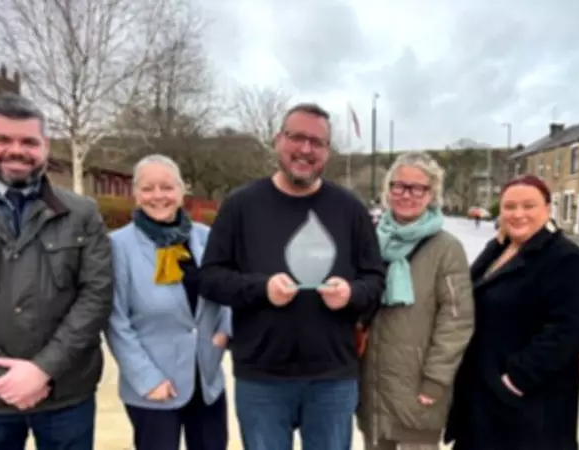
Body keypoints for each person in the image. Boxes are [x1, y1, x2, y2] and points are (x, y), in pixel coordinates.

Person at [198, 102, 386, 450]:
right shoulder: (241, 206)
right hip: (262, 377)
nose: (305, 149)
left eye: (317, 142)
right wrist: (260, 289)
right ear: (277, 140)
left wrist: (352, 294)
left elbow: (375, 280)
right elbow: (210, 277)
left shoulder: (350, 210)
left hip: (332, 377)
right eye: (297, 137)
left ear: (327, 151)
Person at [0, 92, 113, 450]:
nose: (16, 150)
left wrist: (43, 370)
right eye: (3, 139)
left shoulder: (81, 212)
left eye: (28, 141)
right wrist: (3, 376)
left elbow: (96, 296)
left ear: (45, 146)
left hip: (66, 392)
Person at [445, 175, 579, 450]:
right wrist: (496, 244)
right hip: (482, 399)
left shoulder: (567, 260)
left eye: (529, 206)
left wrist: (516, 379)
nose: (518, 214)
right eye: (509, 207)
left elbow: (569, 332)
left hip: (528, 407)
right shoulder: (501, 249)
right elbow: (472, 290)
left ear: (547, 209)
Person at [106, 154, 231, 450]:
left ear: (181, 190)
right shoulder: (118, 246)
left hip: (207, 379)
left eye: (166, 187)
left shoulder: (206, 238)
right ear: (135, 194)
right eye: (147, 188)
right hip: (155, 386)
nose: (158, 196)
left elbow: (227, 290)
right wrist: (147, 379)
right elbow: (115, 321)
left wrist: (226, 332)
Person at [357, 152, 474, 450]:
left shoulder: (446, 248)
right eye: (398, 186)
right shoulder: (370, 240)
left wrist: (436, 380)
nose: (406, 194)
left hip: (417, 386)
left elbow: (456, 320)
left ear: (431, 194)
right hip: (372, 383)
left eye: (417, 188)